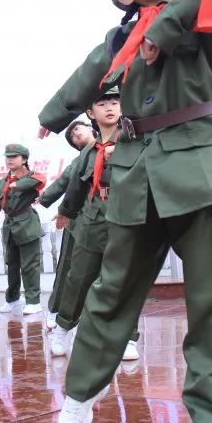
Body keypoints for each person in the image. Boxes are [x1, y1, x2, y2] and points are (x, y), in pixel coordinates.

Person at [38, 0, 212, 423]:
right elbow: (84, 79)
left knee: (211, 295)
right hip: (135, 170)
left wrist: (161, 30)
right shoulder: (116, 41)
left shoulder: (194, 4)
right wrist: (49, 118)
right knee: (112, 290)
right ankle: (80, 391)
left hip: (196, 165)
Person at [49, 87, 141, 362]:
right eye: (102, 104)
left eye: (115, 102)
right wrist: (67, 211)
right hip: (93, 215)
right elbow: (77, 183)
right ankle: (64, 326)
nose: (110, 107)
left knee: (125, 278)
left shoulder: (136, 141)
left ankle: (127, 337)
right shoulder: (90, 150)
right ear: (91, 112)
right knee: (79, 276)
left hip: (127, 214)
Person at [39, 121, 94, 329]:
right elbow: (64, 181)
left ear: (91, 126)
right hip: (78, 217)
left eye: (78, 128)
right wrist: (45, 199)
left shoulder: (116, 146)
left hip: (108, 216)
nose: (75, 133)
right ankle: (56, 311)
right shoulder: (79, 159)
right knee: (66, 267)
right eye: (71, 135)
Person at [0, 144, 47, 316]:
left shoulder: (31, 176)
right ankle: (13, 299)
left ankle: (33, 301)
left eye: (14, 156)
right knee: (11, 265)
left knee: (30, 265)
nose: (10, 160)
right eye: (8, 157)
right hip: (10, 226)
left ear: (24, 160)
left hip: (27, 225)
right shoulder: (2, 182)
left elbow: (40, 180)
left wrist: (16, 185)